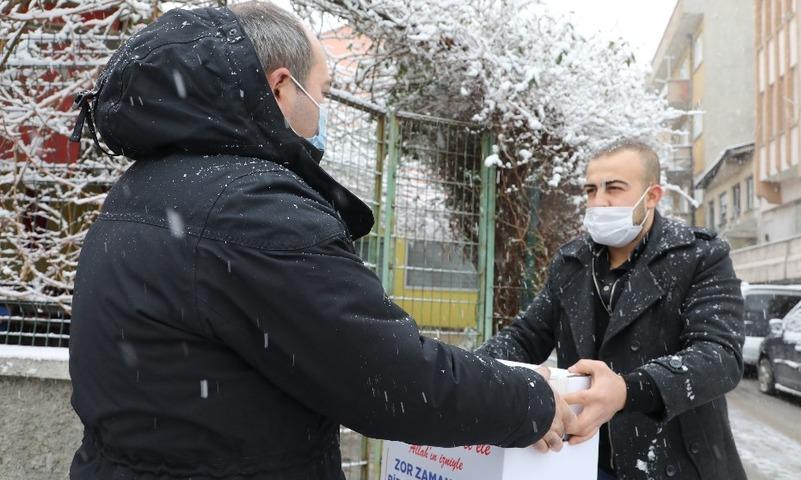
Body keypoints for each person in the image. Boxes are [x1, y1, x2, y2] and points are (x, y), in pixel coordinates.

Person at [67, 3, 576, 479]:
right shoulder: (251, 210)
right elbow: (389, 379)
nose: (324, 109)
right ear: (282, 87)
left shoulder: (146, 186)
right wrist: (532, 401)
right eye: (324, 91)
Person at [477, 140, 747, 479]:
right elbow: (525, 336)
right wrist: (475, 376)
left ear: (652, 195)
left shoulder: (700, 256)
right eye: (590, 190)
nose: (598, 202)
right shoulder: (572, 263)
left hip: (677, 463)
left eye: (614, 188)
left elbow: (719, 356)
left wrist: (628, 390)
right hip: (583, 459)